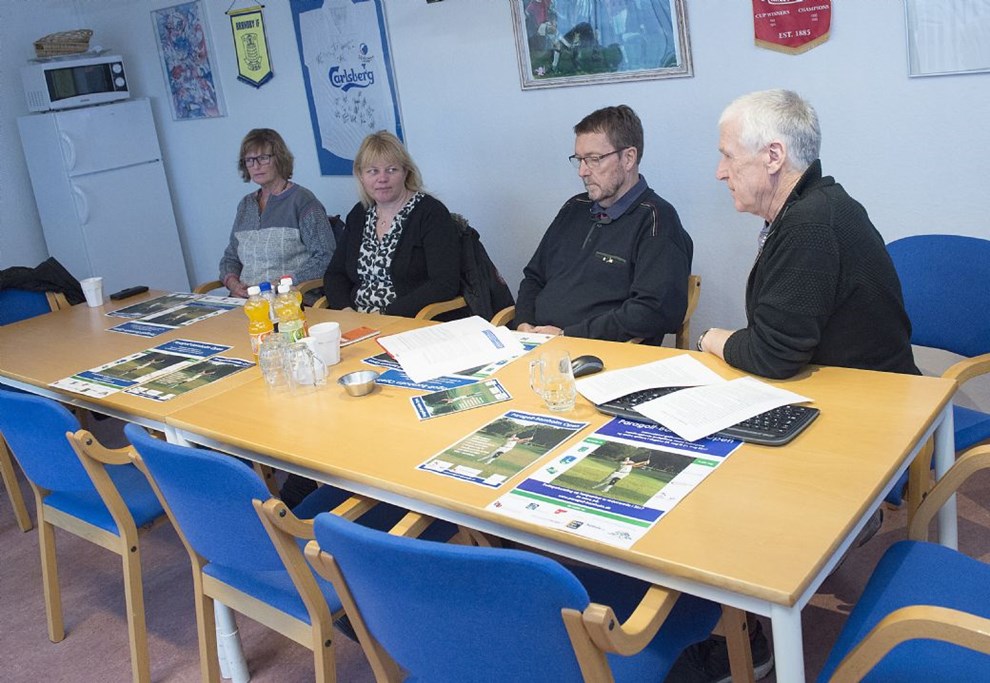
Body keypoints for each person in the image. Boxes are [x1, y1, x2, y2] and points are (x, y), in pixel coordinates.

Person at [697, 89, 919, 380]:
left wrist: (708, 338)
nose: (720, 172)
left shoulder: (810, 225)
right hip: (845, 385)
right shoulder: (818, 205)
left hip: (872, 399)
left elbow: (772, 355)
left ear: (774, 156)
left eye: (728, 156)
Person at [514, 105, 693, 344]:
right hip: (536, 344)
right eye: (579, 160)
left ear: (628, 158)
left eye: (594, 160)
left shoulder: (656, 218)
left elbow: (654, 311)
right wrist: (524, 324)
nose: (582, 172)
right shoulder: (574, 208)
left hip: (602, 354)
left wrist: (568, 336)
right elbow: (534, 277)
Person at [322, 131, 461, 317]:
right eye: (372, 171)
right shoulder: (359, 214)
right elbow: (335, 274)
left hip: (409, 320)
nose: (382, 179)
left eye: (391, 170)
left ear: (406, 172)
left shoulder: (430, 213)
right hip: (357, 321)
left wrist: (386, 314)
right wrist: (346, 311)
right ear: (361, 176)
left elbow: (444, 283)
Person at [219, 128, 335, 298]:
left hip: (288, 300)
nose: (256, 166)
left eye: (263, 158)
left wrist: (284, 282)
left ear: (279, 159)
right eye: (250, 160)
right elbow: (230, 257)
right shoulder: (245, 205)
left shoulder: (303, 201)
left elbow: (325, 257)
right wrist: (233, 283)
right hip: (245, 301)